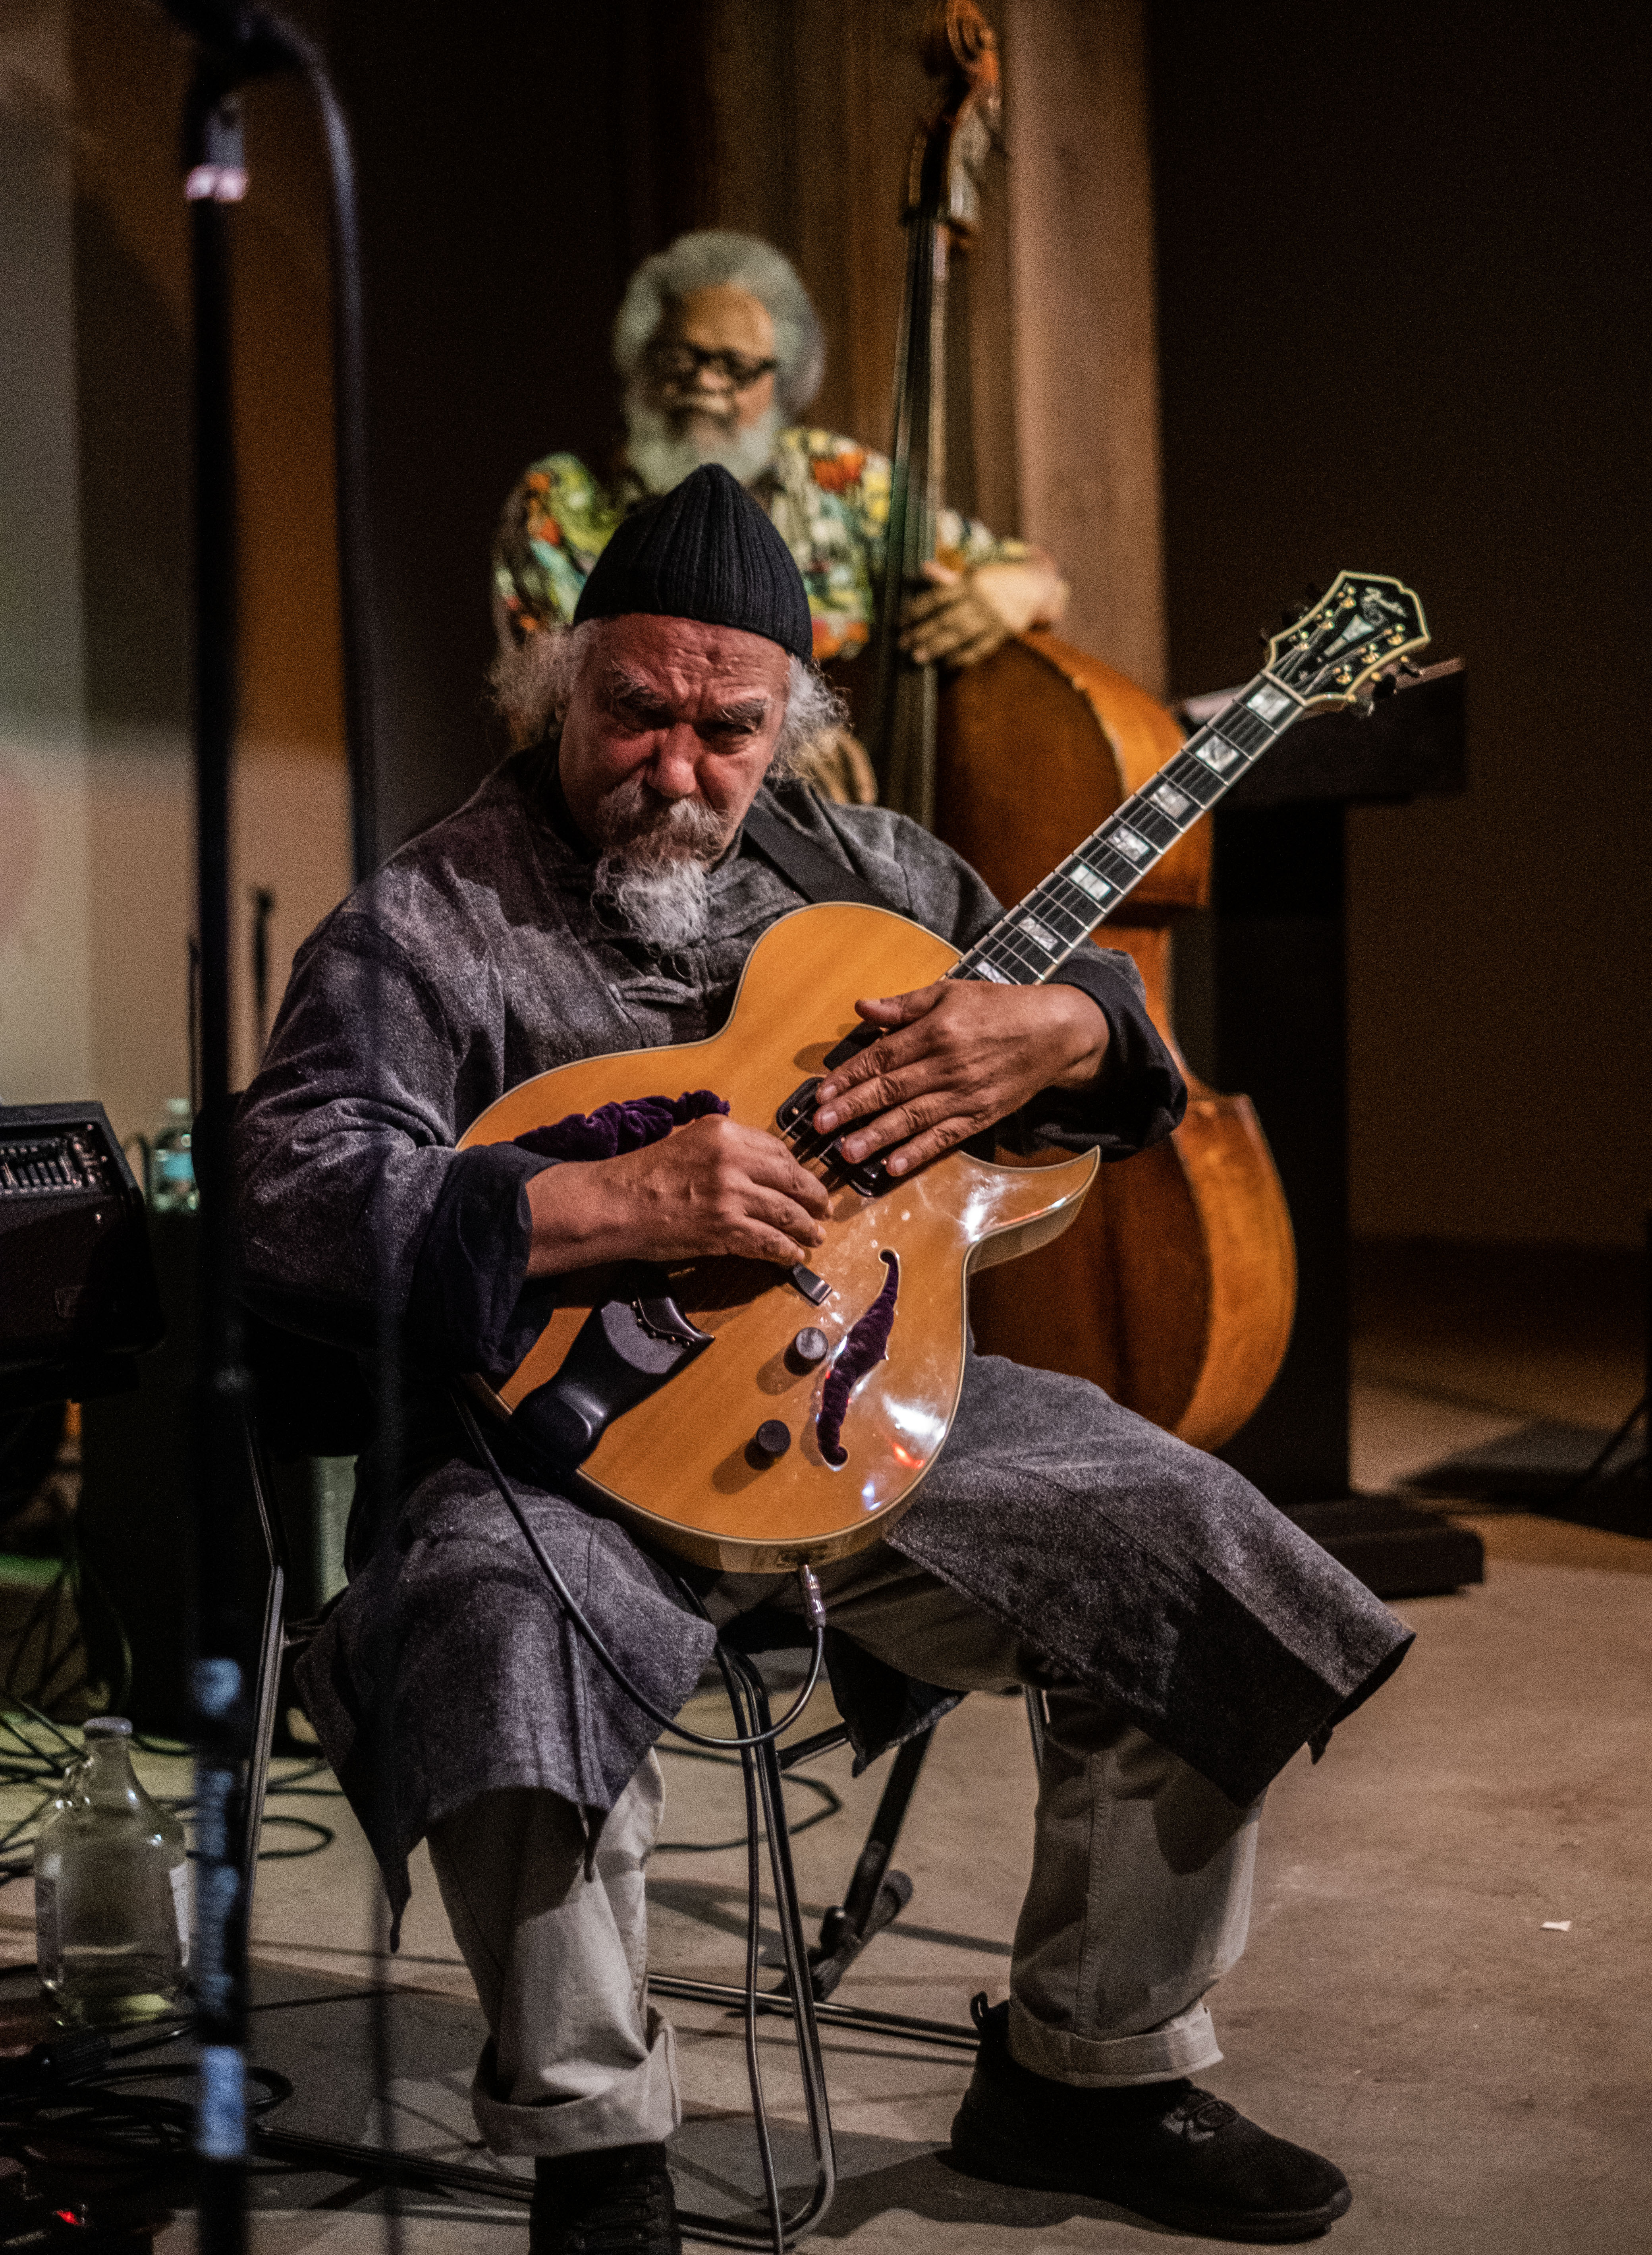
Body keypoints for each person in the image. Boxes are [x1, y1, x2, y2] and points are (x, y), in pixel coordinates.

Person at [234, 464, 1411, 2253]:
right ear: (559, 689)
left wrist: (1066, 1027)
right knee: (489, 1625)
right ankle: (598, 2152)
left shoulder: (875, 871)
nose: (677, 769)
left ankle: (1089, 2073)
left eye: (728, 731)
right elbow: (291, 1190)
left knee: (1195, 1548)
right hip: (554, 1455)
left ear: (786, 729)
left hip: (876, 1404)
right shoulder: (429, 919)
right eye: (635, 713)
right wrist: (606, 1202)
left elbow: (1092, 1057)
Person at [488, 229, 1070, 800]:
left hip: (854, 811)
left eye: (736, 366)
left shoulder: (838, 479)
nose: (704, 383)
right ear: (641, 362)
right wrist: (770, 739)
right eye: (677, 358)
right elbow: (553, 707)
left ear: (781, 379)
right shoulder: (560, 499)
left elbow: (1034, 576)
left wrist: (1016, 588)